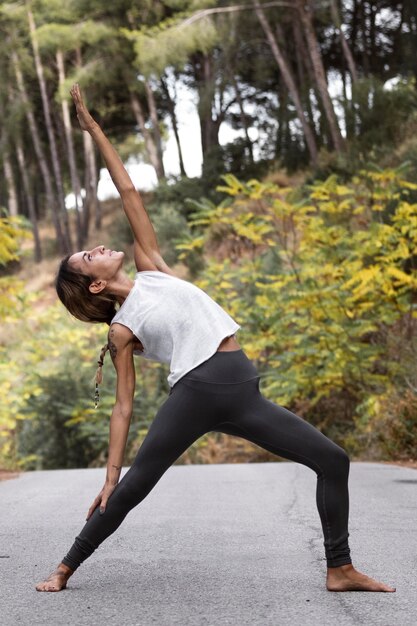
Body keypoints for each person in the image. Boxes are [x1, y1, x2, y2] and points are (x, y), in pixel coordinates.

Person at [35, 85, 395, 593]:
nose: (95, 248)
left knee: (333, 460)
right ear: (95, 284)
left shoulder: (153, 269)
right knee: (134, 486)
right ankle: (64, 567)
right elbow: (122, 407)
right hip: (198, 392)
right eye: (87, 257)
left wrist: (95, 130)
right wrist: (110, 473)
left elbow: (130, 193)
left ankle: (340, 569)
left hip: (243, 390)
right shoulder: (121, 329)